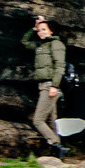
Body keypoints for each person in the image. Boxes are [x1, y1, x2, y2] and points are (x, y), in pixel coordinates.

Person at [24, 14, 70, 151]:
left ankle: (56, 144)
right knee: (51, 119)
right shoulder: (40, 46)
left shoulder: (56, 44)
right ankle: (58, 151)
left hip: (50, 86)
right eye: (39, 30)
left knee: (38, 120)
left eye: (44, 29)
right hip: (43, 86)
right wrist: (33, 28)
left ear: (51, 31)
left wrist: (55, 86)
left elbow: (60, 66)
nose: (40, 32)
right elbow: (25, 42)